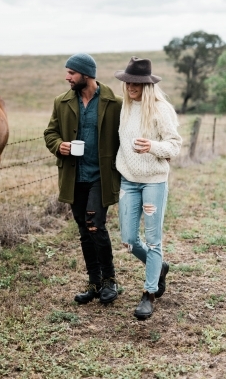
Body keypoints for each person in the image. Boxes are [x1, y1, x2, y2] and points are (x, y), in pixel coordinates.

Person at [44, 53, 122, 304]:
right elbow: (50, 132)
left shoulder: (114, 103)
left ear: (86, 75)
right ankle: (94, 283)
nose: (67, 77)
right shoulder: (61, 102)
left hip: (102, 175)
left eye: (71, 73)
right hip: (74, 176)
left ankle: (110, 281)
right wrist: (59, 145)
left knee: (95, 226)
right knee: (83, 229)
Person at [114, 56, 182, 320]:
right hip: (128, 180)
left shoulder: (161, 109)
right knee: (130, 241)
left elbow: (175, 146)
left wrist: (152, 147)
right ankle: (160, 267)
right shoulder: (126, 107)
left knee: (153, 241)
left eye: (138, 82)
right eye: (129, 81)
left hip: (154, 181)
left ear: (148, 84)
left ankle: (149, 293)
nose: (132, 86)